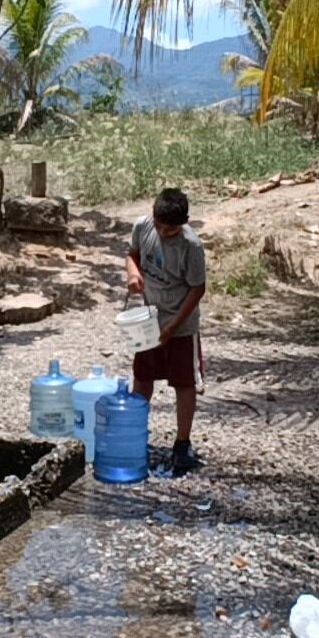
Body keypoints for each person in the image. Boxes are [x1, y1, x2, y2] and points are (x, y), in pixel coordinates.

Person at [125, 188, 207, 475]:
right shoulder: (142, 227)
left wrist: (172, 327)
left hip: (181, 325)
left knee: (184, 383)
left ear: (183, 224)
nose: (164, 233)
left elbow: (198, 289)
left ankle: (182, 444)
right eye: (160, 227)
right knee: (142, 376)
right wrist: (133, 273)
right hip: (149, 319)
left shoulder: (191, 246)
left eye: (171, 230)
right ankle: (134, 433)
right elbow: (132, 255)